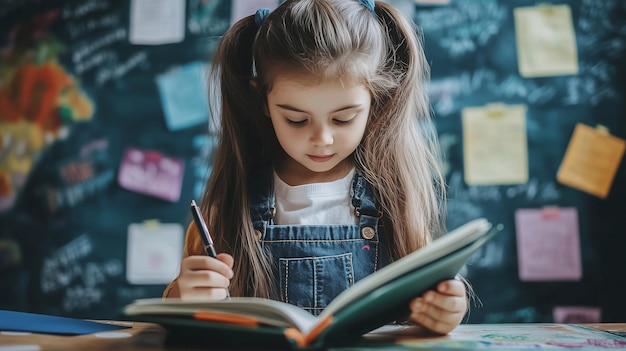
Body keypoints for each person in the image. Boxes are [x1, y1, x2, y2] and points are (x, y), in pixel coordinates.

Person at [164, 0, 468, 335]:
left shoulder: (395, 204)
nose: (321, 139)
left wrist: (446, 308)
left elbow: (430, 298)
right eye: (295, 120)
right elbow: (180, 308)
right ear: (262, 101)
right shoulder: (226, 208)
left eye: (343, 118)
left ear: (376, 100)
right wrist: (183, 297)